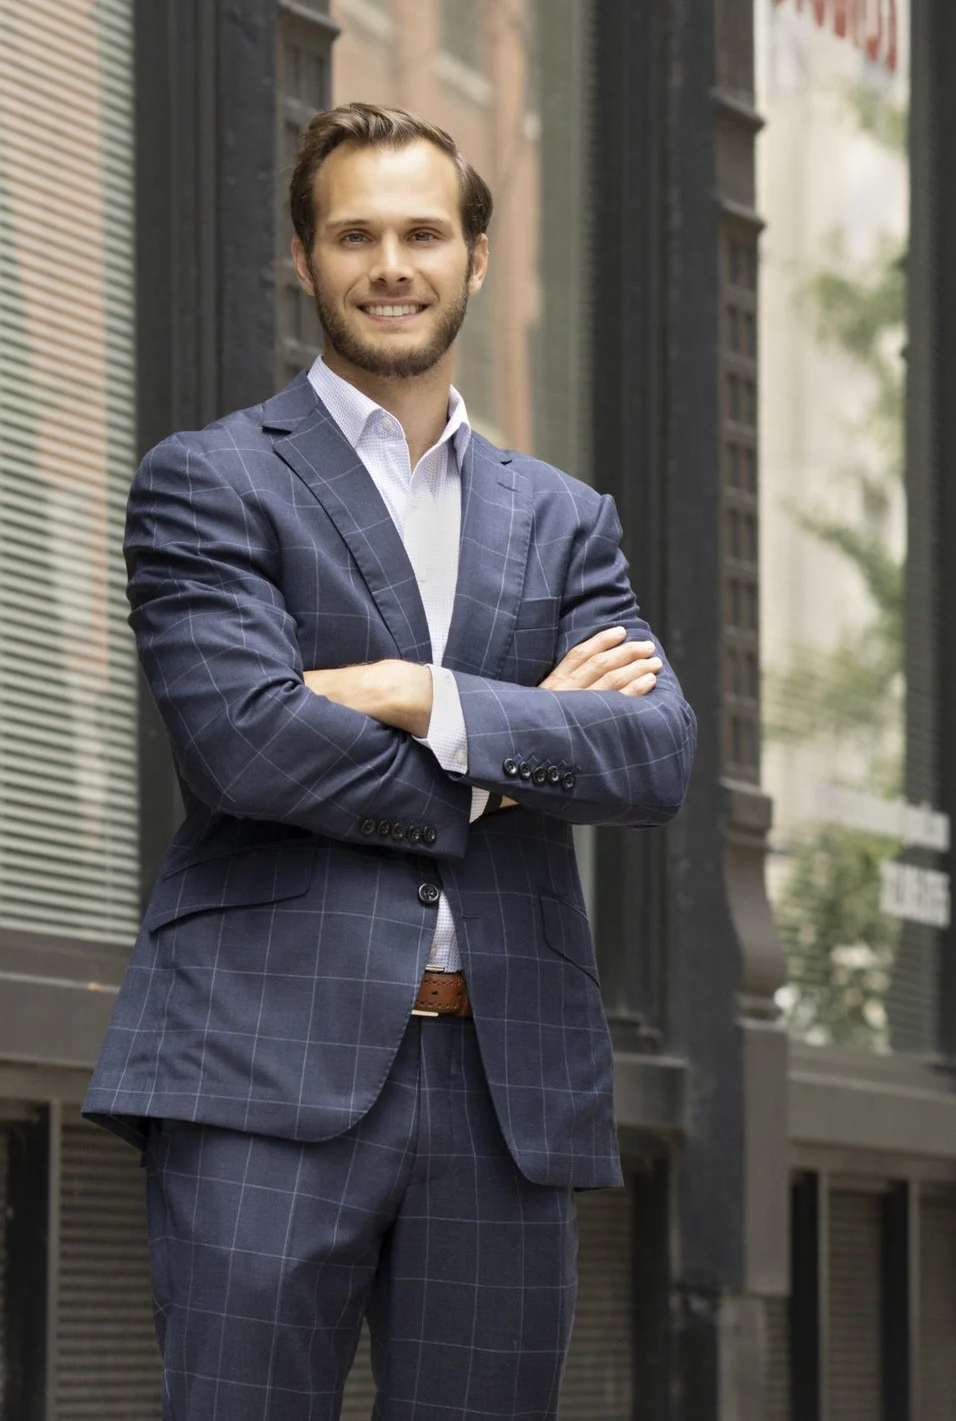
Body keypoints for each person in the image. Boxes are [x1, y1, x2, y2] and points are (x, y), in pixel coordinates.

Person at [84, 103, 695, 1417]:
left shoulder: (566, 520)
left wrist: (426, 697)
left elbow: (650, 754)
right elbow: (247, 743)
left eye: (423, 232)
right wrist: (520, 744)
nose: (391, 263)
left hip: (503, 1090)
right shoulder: (209, 483)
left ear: (477, 257)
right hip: (259, 1072)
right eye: (353, 234)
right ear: (303, 262)